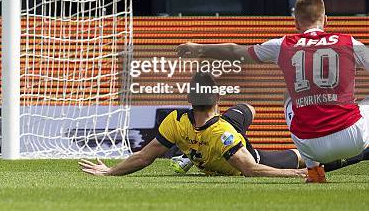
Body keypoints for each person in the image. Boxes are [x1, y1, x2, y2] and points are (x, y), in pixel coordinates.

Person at [177, 0, 369, 183]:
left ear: (295, 22)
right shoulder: (349, 42)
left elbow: (237, 52)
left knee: (288, 94)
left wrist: (199, 48)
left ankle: (314, 171)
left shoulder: (283, 44)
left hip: (309, 146)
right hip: (352, 139)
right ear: (326, 20)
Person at [79, 72, 307, 178]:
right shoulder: (216, 131)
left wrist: (111, 171)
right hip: (234, 139)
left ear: (188, 99)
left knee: (248, 111)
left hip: (236, 142)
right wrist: (298, 174)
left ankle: (192, 153)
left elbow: (143, 157)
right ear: (218, 99)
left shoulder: (178, 121)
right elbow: (250, 169)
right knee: (298, 155)